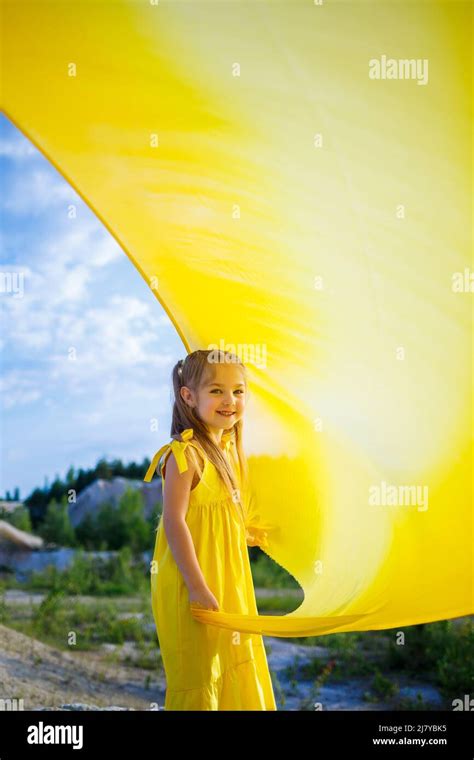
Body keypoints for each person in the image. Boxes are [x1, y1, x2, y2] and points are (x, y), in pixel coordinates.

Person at [144, 349, 277, 710]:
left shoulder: (227, 450)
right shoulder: (184, 454)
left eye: (238, 391)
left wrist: (244, 531)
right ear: (189, 396)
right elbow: (174, 521)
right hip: (191, 581)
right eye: (216, 390)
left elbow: (215, 514)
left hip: (227, 579)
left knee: (232, 661)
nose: (230, 401)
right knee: (199, 674)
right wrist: (198, 587)